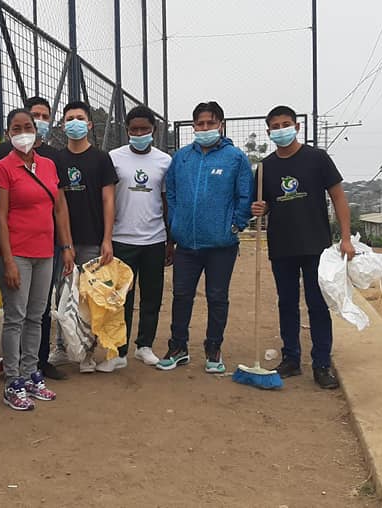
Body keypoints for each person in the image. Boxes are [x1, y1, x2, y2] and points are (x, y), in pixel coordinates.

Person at [250, 105, 353, 389]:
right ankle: (291, 359)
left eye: (286, 124)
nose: (281, 130)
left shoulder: (317, 159)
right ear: (269, 132)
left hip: (315, 245)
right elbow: (265, 203)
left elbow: (338, 197)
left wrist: (345, 238)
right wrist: (260, 208)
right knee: (286, 303)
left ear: (296, 127)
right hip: (282, 246)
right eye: (275, 127)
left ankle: (321, 364)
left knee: (317, 305)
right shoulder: (265, 168)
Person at [158, 101, 252, 374]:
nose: (205, 128)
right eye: (200, 124)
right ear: (193, 126)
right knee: (181, 295)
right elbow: (171, 192)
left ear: (221, 125)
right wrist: (175, 224)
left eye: (210, 123)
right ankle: (178, 347)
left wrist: (235, 225)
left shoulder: (235, 158)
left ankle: (213, 348)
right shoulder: (182, 158)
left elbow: (244, 195)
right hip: (186, 244)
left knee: (217, 297)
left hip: (221, 245)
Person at [0, 109, 74, 411]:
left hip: (45, 252)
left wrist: (66, 245)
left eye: (28, 126)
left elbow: (59, 207)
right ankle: (12, 380)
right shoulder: (2, 168)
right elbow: (1, 215)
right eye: (17, 128)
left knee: (36, 316)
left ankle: (29, 373)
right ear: (8, 133)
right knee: (15, 317)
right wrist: (8, 260)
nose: (24, 132)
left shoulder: (49, 165)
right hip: (17, 252)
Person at [97, 106, 172, 373]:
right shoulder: (114, 158)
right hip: (121, 239)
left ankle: (145, 346)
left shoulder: (164, 161)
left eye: (144, 129)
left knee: (151, 296)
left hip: (154, 239)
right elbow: (106, 199)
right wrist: (106, 238)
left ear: (154, 130)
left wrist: (170, 240)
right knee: (120, 300)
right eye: (134, 129)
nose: (139, 134)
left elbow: (166, 200)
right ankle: (118, 352)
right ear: (127, 130)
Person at [51, 101, 118, 373]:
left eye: (80, 118)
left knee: (90, 297)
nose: (74, 122)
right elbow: (58, 203)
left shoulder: (101, 159)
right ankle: (61, 346)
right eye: (69, 118)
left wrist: (107, 238)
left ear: (89, 124)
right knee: (63, 294)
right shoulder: (57, 160)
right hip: (63, 241)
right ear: (63, 125)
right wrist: (65, 243)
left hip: (93, 239)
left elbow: (108, 200)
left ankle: (87, 351)